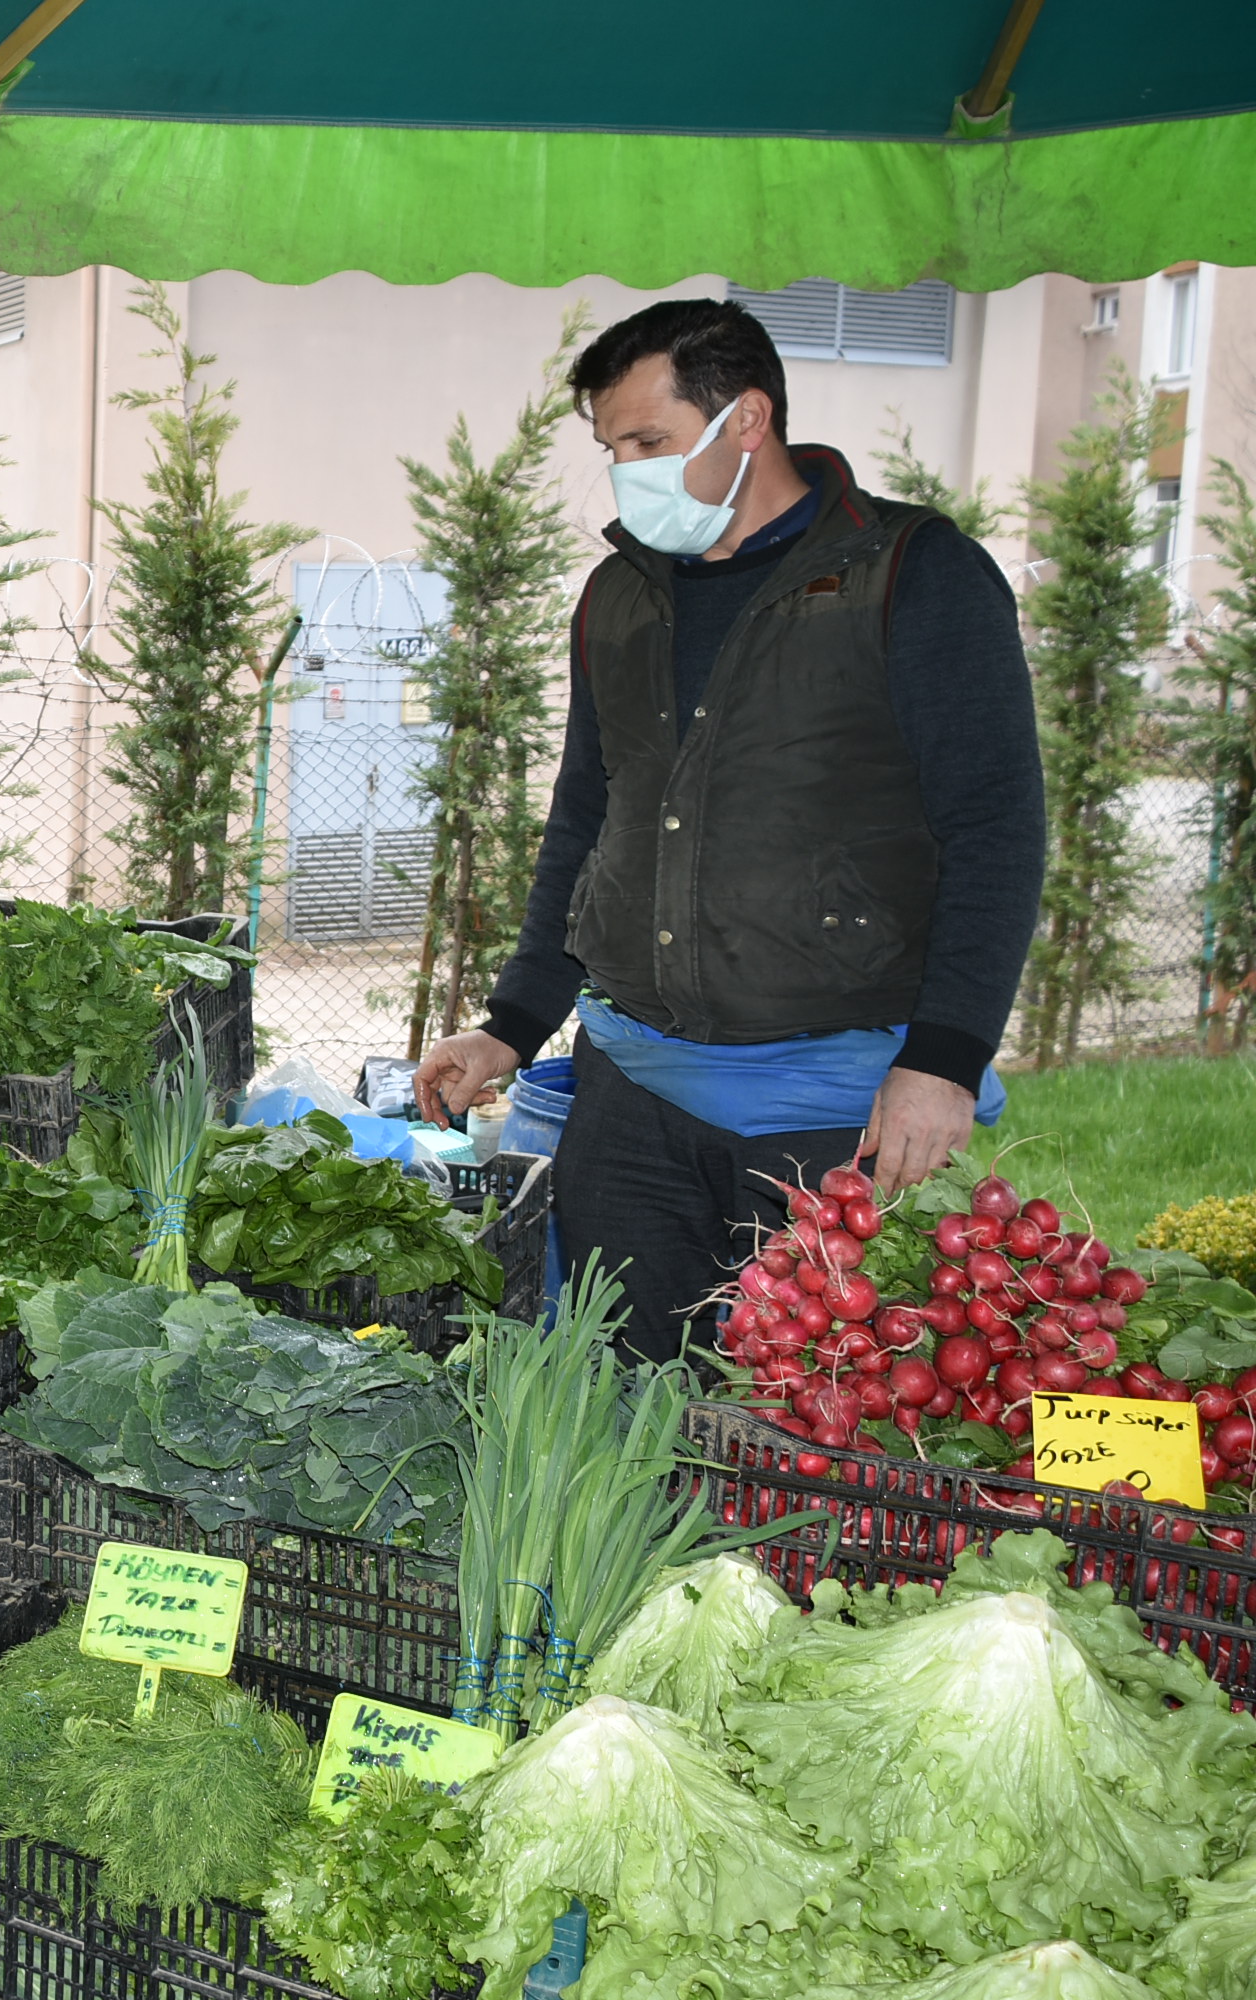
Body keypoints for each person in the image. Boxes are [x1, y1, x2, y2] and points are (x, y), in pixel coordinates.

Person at [414, 299, 1045, 1365]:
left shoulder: (910, 574)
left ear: (746, 418)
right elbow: (586, 819)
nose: (624, 470)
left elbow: (995, 824)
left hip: (838, 1102)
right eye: (612, 446)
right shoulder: (619, 595)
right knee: (621, 1390)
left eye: (648, 441)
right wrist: (513, 1022)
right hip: (633, 1093)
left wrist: (943, 1057)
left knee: (814, 1409)